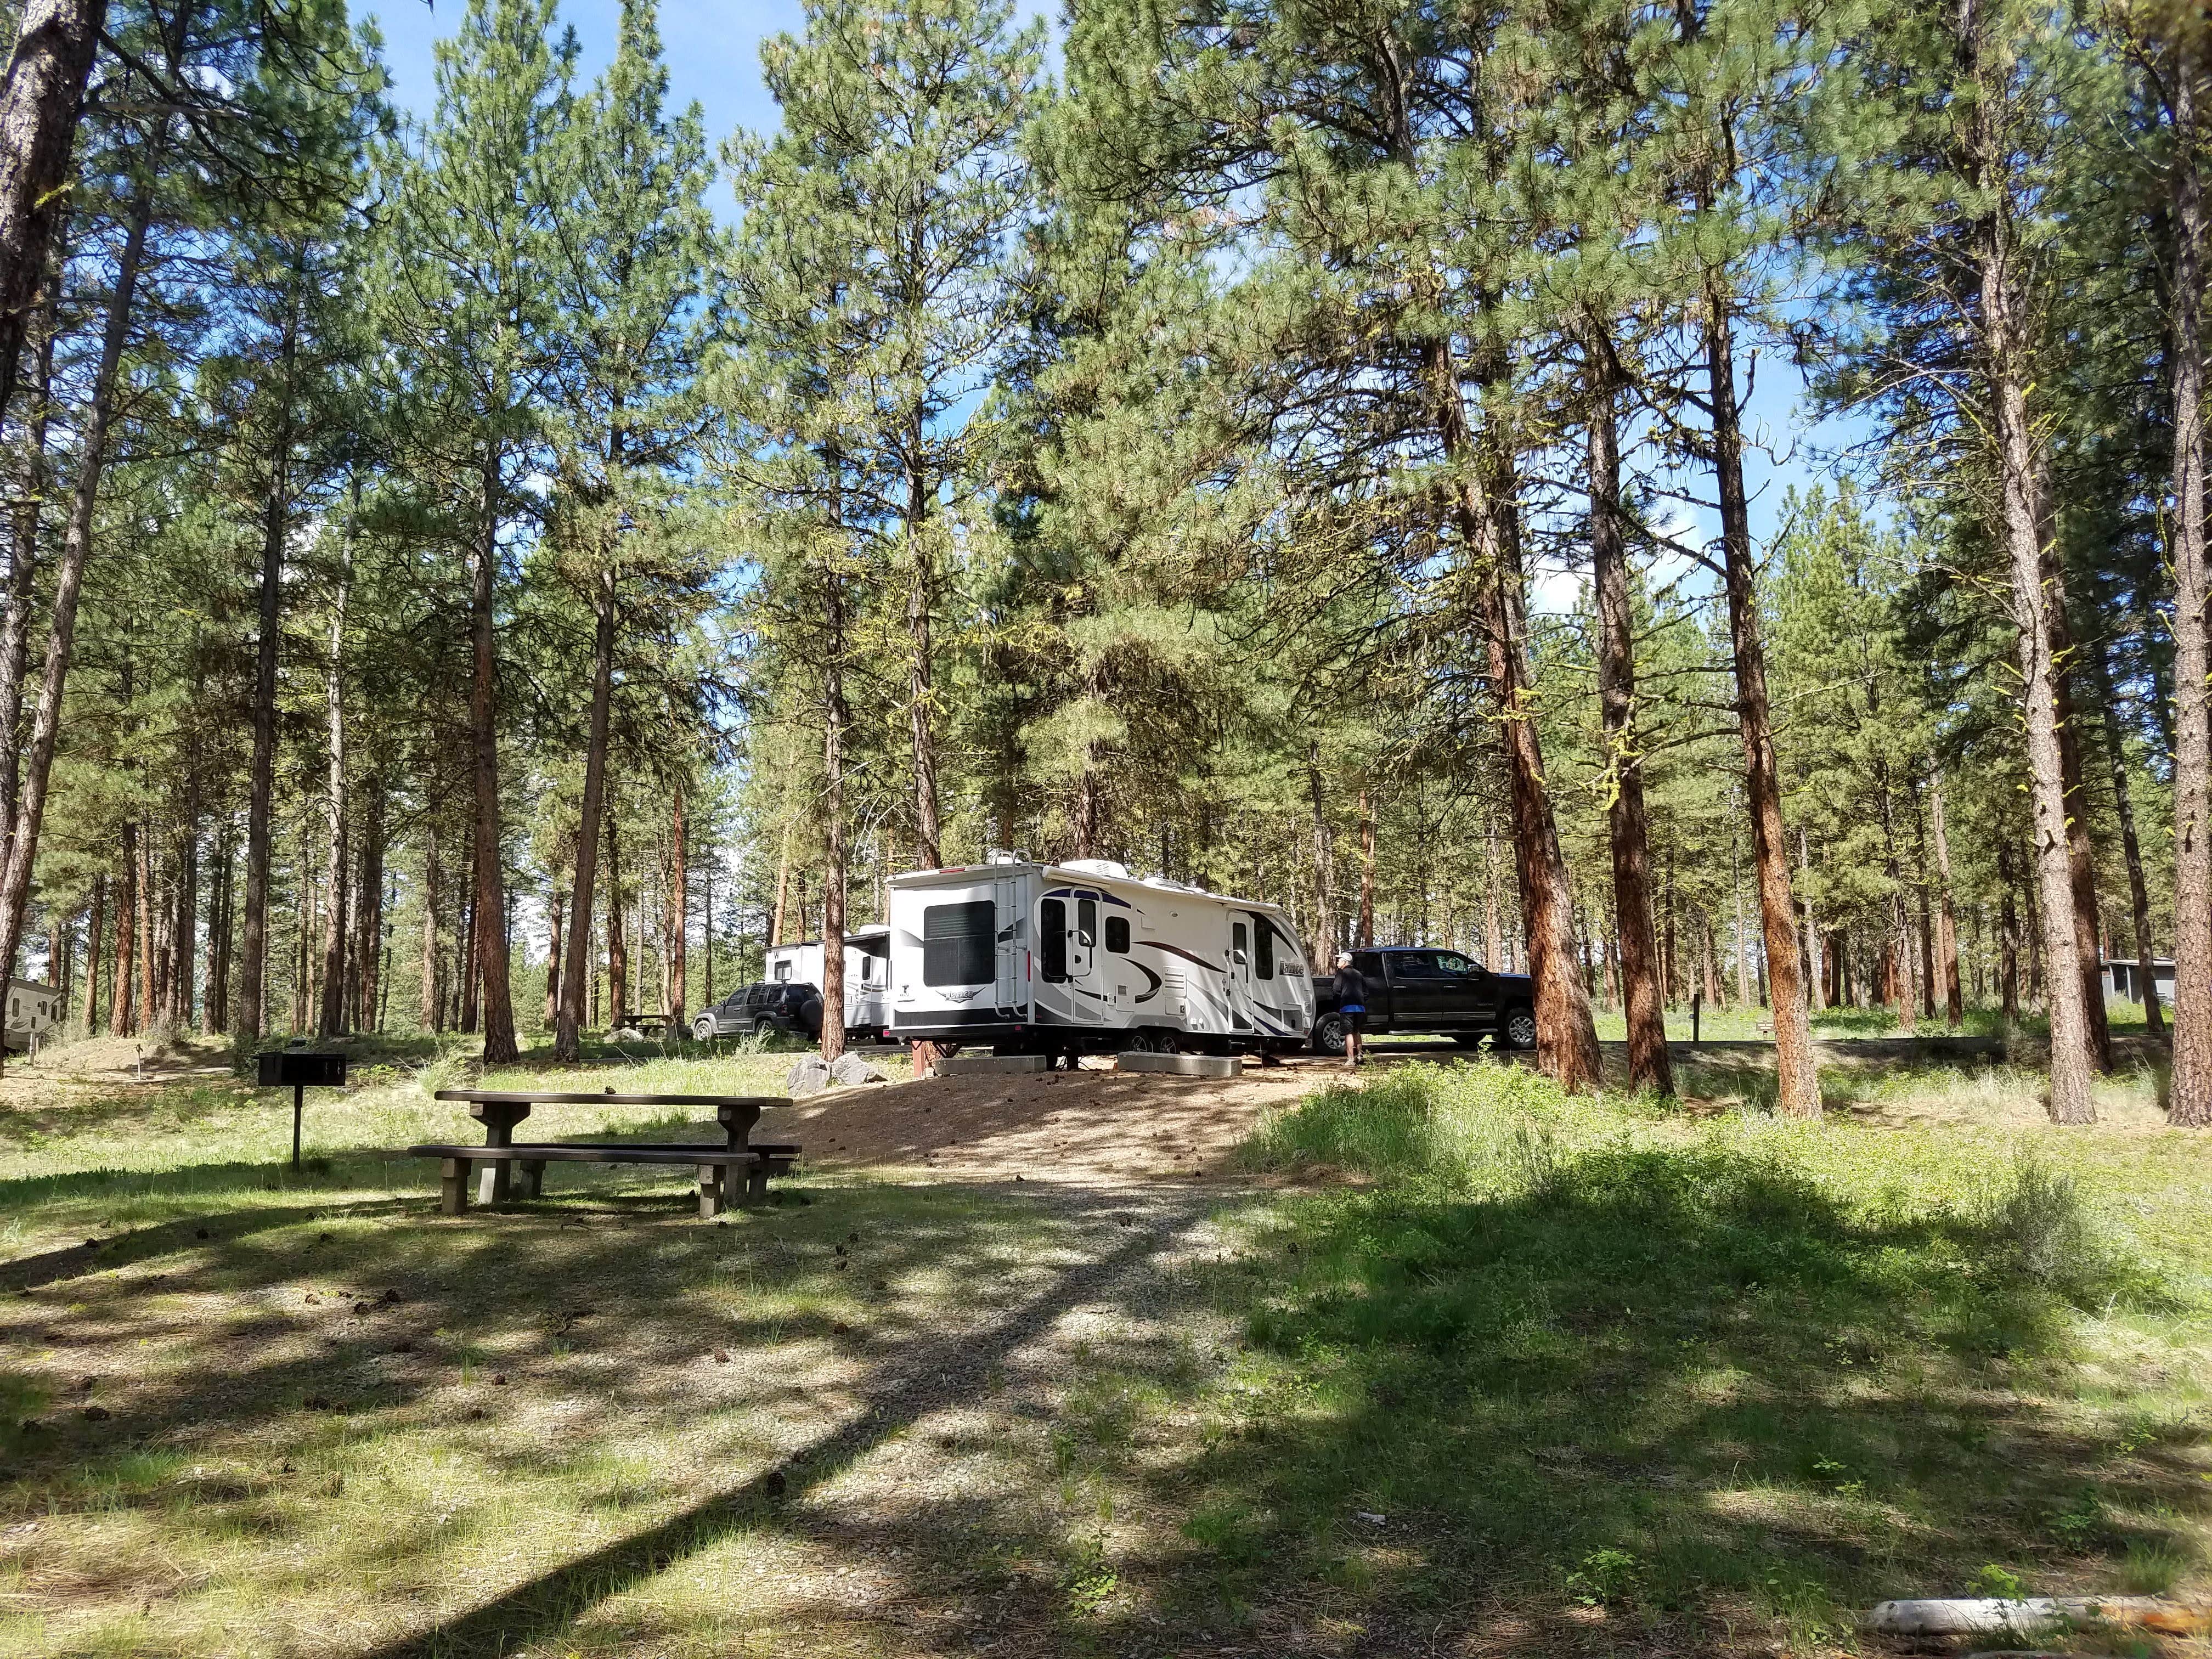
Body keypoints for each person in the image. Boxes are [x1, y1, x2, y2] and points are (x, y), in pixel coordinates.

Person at [1331, 951, 1367, 1070]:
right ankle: (1360, 1056)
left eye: (1339, 960)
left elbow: (1336, 990)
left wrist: (1339, 1003)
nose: (1337, 962)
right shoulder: (1359, 974)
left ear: (1345, 962)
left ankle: (1350, 1059)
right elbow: (1366, 993)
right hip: (1360, 1007)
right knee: (1357, 1031)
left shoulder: (1341, 974)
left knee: (1348, 1033)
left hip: (1347, 1007)